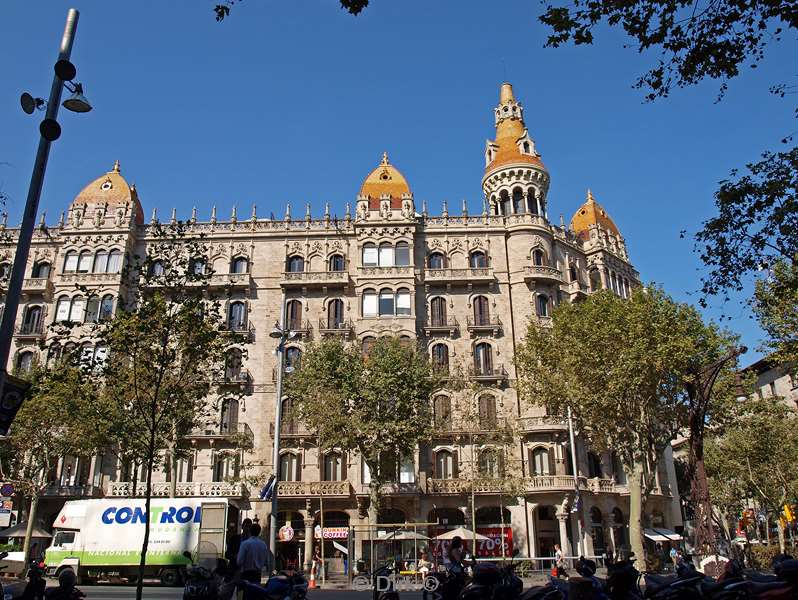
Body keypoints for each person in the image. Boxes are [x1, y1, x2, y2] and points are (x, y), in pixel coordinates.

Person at [237, 523, 268, 599]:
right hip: (257, 574)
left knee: (245, 595)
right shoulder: (263, 544)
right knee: (255, 595)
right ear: (259, 532)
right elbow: (265, 561)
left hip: (246, 574)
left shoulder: (245, 544)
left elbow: (239, 561)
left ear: (250, 531)